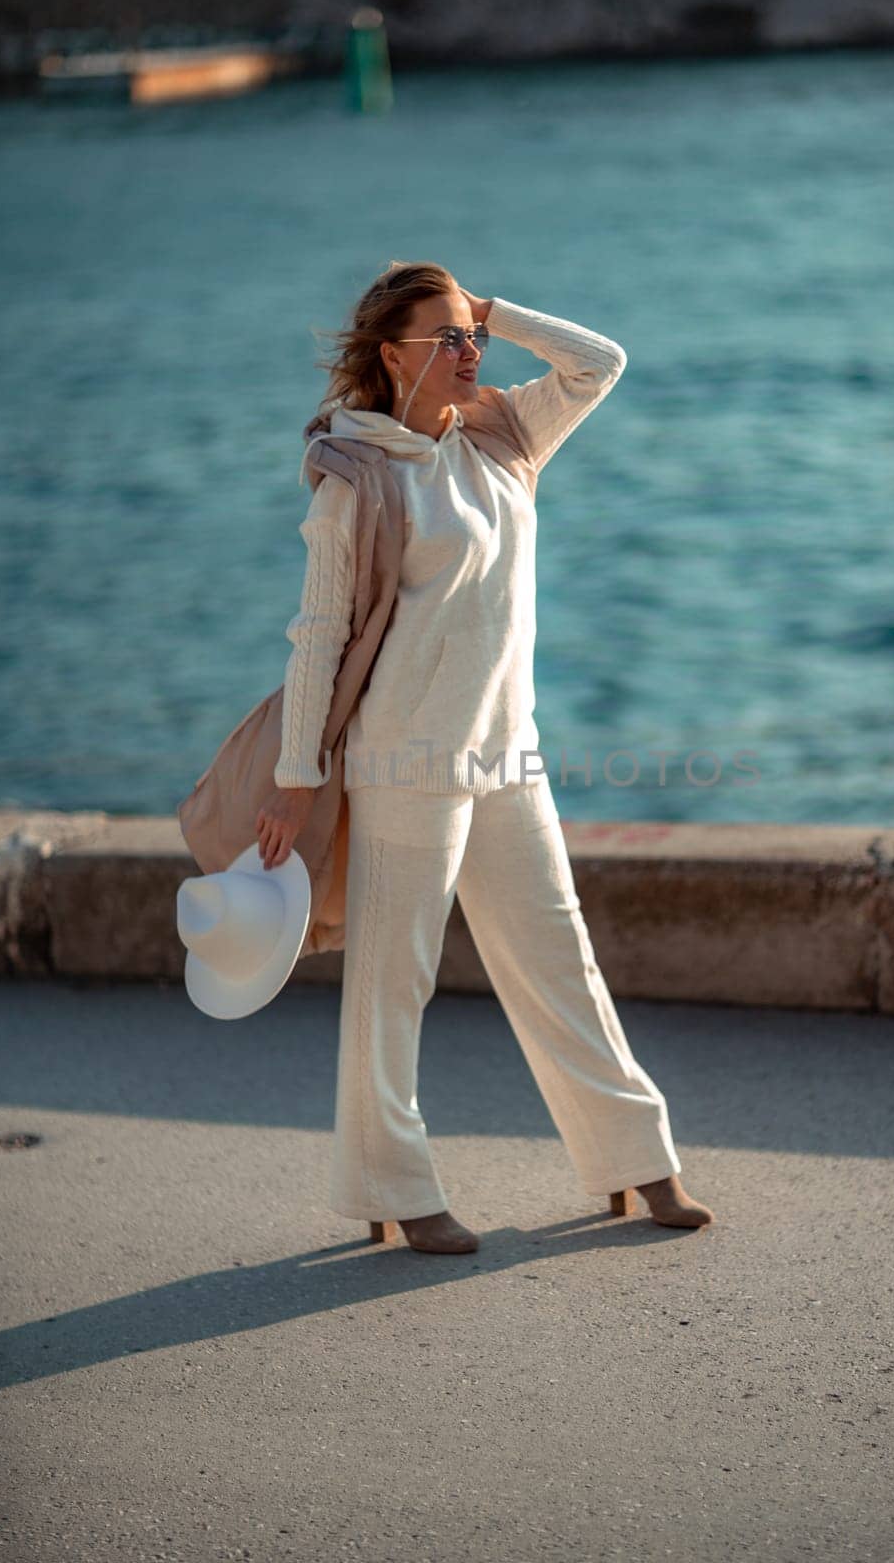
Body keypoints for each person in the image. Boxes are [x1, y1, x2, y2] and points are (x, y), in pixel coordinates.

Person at [255, 260, 715, 1254]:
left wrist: (491, 308)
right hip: (405, 764)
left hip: (509, 756)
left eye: (475, 338)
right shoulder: (357, 476)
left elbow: (600, 363)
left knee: (561, 960)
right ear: (390, 356)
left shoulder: (503, 439)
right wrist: (296, 781)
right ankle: (392, 1184)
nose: (470, 354)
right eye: (446, 339)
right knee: (393, 984)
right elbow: (316, 635)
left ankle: (634, 1159)